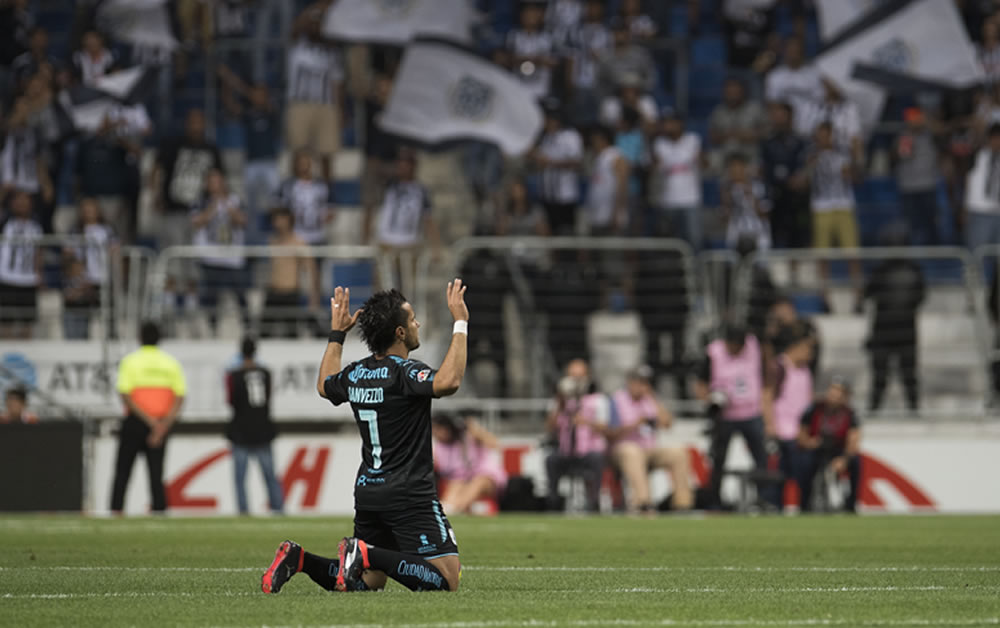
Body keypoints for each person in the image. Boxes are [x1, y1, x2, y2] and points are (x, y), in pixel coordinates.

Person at [261, 280, 469, 593]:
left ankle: (299, 559)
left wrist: (337, 334)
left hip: (369, 492)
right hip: (409, 492)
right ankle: (363, 553)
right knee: (447, 580)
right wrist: (460, 321)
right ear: (399, 332)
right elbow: (449, 381)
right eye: (412, 320)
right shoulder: (405, 372)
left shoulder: (356, 373)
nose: (418, 324)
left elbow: (324, 384)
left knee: (369, 581)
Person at [110, 321, 187, 514]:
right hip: (161, 423)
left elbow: (125, 395)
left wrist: (149, 421)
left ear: (140, 338)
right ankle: (159, 511)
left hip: (136, 422)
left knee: (123, 471)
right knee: (156, 474)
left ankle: (116, 511)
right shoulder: (170, 362)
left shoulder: (130, 361)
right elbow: (179, 397)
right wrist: (161, 425)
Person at [694, 323, 769, 509]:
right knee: (718, 460)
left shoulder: (754, 347)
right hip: (725, 415)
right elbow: (701, 383)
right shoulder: (714, 353)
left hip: (751, 413)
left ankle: (763, 498)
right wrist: (710, 401)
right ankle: (715, 500)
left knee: (761, 458)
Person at [608, 365, 693, 513]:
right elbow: (610, 432)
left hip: (649, 449)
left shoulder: (650, 400)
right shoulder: (617, 400)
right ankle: (643, 502)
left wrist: (653, 399)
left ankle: (682, 504)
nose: (642, 386)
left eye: (645, 382)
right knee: (633, 453)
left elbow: (668, 423)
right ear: (630, 382)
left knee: (679, 453)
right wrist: (635, 424)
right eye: (639, 382)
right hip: (622, 449)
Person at [864, 227, 926, 413]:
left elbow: (920, 297)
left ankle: (913, 408)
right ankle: (874, 409)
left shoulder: (913, 271)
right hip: (884, 329)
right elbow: (868, 293)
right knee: (880, 374)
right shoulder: (880, 271)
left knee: (907, 373)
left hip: (902, 329)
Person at [807, 121, 863, 307]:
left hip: (843, 206)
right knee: (822, 256)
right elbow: (801, 182)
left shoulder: (843, 155)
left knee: (852, 254)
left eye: (827, 134)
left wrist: (855, 161)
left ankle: (857, 295)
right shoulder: (811, 156)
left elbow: (856, 178)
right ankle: (824, 297)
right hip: (821, 207)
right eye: (820, 135)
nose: (823, 138)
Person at [226, 337, 284, 515]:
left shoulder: (233, 375)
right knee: (270, 475)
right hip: (262, 428)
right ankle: (277, 509)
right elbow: (268, 398)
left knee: (240, 478)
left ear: (241, 352)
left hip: (241, 429)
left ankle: (243, 511)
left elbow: (230, 400)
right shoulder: (266, 373)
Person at [285, 1, 343, 180]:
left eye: (319, 23)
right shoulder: (297, 46)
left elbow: (337, 82)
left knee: (327, 155)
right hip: (300, 104)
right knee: (298, 152)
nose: (315, 27)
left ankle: (327, 196)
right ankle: (295, 192)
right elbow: (293, 28)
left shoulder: (333, 51)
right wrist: (317, 7)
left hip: (327, 106)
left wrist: (339, 110)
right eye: (312, 23)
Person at [544, 359, 608, 513]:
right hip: (566, 450)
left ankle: (594, 500)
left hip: (589, 451)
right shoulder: (559, 401)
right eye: (572, 376)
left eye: (580, 376)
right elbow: (549, 428)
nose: (576, 381)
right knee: (551, 460)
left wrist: (585, 422)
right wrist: (560, 404)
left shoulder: (598, 400)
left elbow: (604, 428)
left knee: (597, 459)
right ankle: (554, 501)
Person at [762, 322, 814, 510]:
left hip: (799, 434)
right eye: (808, 348)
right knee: (778, 477)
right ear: (796, 347)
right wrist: (770, 425)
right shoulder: (779, 367)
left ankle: (805, 507)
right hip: (782, 432)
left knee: (803, 475)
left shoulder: (806, 371)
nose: (811, 353)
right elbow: (767, 396)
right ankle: (774, 507)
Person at [374, 150, 441, 297]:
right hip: (387, 241)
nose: (402, 168)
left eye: (406, 165)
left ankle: (405, 315)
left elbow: (428, 219)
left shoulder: (421, 190)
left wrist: (436, 246)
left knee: (408, 286)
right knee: (384, 285)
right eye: (400, 164)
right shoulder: (388, 185)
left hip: (409, 242)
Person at [190, 168, 248, 334]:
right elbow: (197, 222)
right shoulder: (201, 201)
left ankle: (247, 326)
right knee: (210, 297)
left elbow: (243, 221)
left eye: (218, 181)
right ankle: (211, 327)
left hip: (232, 258)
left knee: (240, 295)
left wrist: (228, 206)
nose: (215, 185)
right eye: (211, 182)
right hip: (210, 257)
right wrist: (213, 207)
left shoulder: (235, 200)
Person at [797, 378, 862, 513]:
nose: (834, 396)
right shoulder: (815, 409)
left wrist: (844, 459)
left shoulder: (850, 414)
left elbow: (853, 440)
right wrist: (810, 443)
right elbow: (801, 435)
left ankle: (851, 505)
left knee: (856, 463)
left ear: (845, 397)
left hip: (838, 450)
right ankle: (804, 505)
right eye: (833, 391)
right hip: (816, 450)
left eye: (839, 393)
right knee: (805, 463)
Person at [431, 414, 507, 515]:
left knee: (478, 482)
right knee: (455, 484)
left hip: (487, 478)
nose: (436, 433)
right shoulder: (439, 447)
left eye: (438, 429)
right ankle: (452, 507)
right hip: (462, 480)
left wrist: (474, 429)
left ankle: (457, 508)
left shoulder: (469, 437)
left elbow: (495, 444)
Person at [760, 102, 810, 256]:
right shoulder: (767, 143)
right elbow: (764, 169)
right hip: (775, 195)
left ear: (790, 117)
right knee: (774, 236)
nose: (778, 119)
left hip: (796, 197)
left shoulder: (800, 142)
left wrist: (801, 177)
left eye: (781, 115)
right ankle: (775, 272)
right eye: (775, 116)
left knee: (797, 236)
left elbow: (806, 164)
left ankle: (796, 270)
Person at [261, 207, 319, 338]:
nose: (277, 222)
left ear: (288, 220)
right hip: (273, 291)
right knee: (263, 332)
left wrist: (313, 298)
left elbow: (311, 269)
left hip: (290, 292)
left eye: (281, 218)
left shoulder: (299, 243)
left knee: (291, 334)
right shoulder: (273, 242)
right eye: (275, 219)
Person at [532, 99, 584, 237]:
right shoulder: (545, 138)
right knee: (550, 234)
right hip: (547, 195)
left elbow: (576, 163)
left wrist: (550, 162)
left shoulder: (570, 136)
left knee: (566, 234)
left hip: (565, 196)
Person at [651, 113, 703, 250]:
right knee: (670, 241)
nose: (668, 126)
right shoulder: (659, 143)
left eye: (671, 122)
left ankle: (694, 270)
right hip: (668, 200)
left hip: (690, 199)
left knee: (694, 238)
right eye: (666, 123)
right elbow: (656, 166)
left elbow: (703, 161)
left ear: (680, 124)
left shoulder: (692, 140)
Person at [895, 107, 942, 246]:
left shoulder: (931, 134)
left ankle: (935, 251)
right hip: (908, 186)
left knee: (931, 222)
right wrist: (905, 145)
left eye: (916, 120)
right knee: (911, 223)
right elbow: (900, 156)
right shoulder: (903, 136)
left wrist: (928, 122)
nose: (914, 123)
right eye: (911, 120)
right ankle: (912, 255)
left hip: (928, 184)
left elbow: (941, 131)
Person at [0, 191, 42, 339]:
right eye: (18, 200)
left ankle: (25, 359)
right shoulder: (4, 222)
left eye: (26, 200)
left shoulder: (36, 226)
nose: (22, 204)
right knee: (5, 323)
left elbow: (38, 252)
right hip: (6, 279)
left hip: (28, 280)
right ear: (12, 203)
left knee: (27, 323)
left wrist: (38, 274)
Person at [277, 150, 334, 247]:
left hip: (317, 235)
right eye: (300, 162)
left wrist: (326, 216)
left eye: (306, 161)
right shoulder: (287, 185)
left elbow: (330, 209)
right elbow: (279, 211)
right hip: (295, 236)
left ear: (311, 163)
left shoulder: (321, 185)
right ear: (295, 164)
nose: (303, 165)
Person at [709, 77, 765, 172]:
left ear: (743, 92)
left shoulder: (755, 108)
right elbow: (712, 136)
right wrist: (726, 135)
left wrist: (751, 135)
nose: (733, 96)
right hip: (726, 152)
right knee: (711, 160)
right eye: (729, 93)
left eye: (736, 93)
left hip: (750, 152)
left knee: (759, 164)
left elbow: (767, 132)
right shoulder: (719, 111)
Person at [721, 152, 771, 253]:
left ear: (745, 168)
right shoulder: (727, 188)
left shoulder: (759, 185)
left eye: (738, 167)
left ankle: (762, 266)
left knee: (763, 243)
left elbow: (765, 214)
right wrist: (727, 200)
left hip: (757, 230)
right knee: (731, 240)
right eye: (732, 168)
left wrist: (751, 195)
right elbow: (724, 217)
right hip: (737, 231)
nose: (735, 171)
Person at [507, 1, 556, 99]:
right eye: (527, 13)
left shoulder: (547, 38)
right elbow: (506, 58)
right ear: (521, 15)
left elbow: (554, 62)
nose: (530, 17)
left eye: (534, 13)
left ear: (540, 16)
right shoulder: (514, 36)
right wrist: (522, 60)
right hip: (517, 88)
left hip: (540, 91)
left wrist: (537, 60)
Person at [585, 125, 629, 235]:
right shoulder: (597, 157)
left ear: (602, 139)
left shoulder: (615, 155)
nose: (592, 143)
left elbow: (622, 185)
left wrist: (617, 212)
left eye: (594, 139)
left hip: (610, 215)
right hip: (596, 215)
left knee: (611, 250)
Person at [963, 124, 1000, 252]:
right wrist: (965, 207)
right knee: (977, 253)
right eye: (995, 138)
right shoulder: (977, 155)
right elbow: (968, 181)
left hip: (998, 211)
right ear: (990, 139)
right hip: (979, 210)